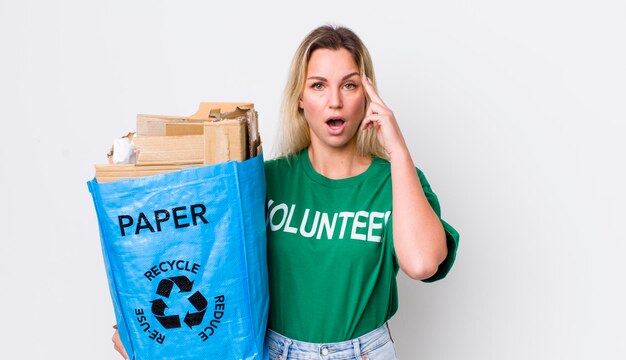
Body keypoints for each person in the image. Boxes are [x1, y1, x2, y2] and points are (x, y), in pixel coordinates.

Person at [113, 24, 459, 360]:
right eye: (319, 85)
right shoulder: (265, 180)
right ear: (299, 99)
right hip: (279, 352)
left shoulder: (396, 180)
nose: (335, 101)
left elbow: (423, 263)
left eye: (350, 85)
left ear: (368, 98)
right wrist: (147, 332)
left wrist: (397, 150)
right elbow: (203, 257)